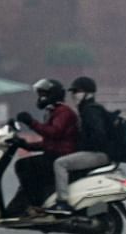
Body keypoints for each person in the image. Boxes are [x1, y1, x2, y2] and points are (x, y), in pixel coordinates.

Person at [4, 78, 79, 219]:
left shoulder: (63, 112)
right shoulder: (53, 112)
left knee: (23, 166)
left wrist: (31, 123)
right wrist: (25, 144)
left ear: (53, 94)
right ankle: (23, 205)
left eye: (43, 94)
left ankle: (35, 205)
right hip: (55, 153)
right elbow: (48, 143)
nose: (40, 98)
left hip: (61, 156)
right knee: (26, 168)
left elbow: (54, 132)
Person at [45, 76, 111, 216]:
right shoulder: (86, 109)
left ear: (88, 93)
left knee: (60, 164)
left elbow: (98, 136)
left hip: (98, 154)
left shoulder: (90, 111)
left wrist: (83, 146)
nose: (74, 95)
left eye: (77, 91)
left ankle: (62, 203)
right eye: (73, 92)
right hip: (97, 152)